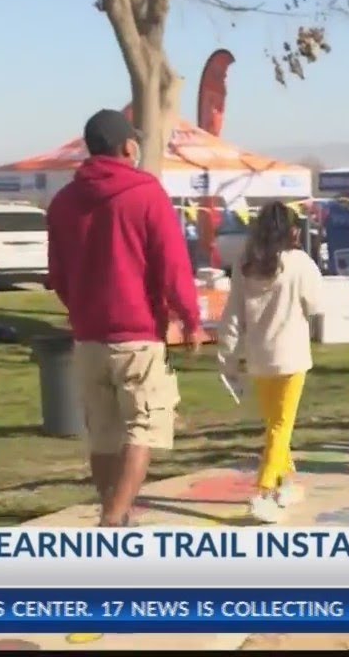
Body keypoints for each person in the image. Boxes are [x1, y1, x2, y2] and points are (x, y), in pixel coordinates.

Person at [47, 109, 202, 527]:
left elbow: (57, 275)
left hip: (88, 336)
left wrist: (80, 307)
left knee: (103, 434)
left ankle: (112, 512)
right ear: (128, 146)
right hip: (138, 334)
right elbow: (172, 265)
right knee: (143, 428)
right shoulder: (146, 193)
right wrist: (190, 318)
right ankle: (113, 520)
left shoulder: (63, 202)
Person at [216, 203, 323, 524]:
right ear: (293, 231)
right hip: (291, 357)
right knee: (280, 426)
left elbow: (232, 314)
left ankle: (285, 480)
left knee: (275, 424)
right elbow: (316, 304)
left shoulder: (245, 264)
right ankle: (262, 491)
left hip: (259, 358)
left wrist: (227, 358)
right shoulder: (300, 263)